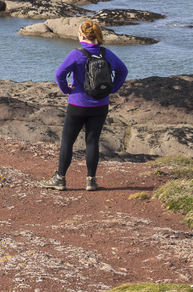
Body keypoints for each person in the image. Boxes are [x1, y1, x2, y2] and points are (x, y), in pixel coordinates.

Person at [39, 19, 128, 192]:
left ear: (81, 35)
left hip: (77, 104)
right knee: (92, 141)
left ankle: (60, 179)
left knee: (67, 141)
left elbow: (59, 74)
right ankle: (91, 181)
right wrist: (112, 89)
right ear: (98, 35)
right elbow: (123, 71)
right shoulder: (107, 53)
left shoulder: (76, 54)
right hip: (101, 105)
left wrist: (66, 90)